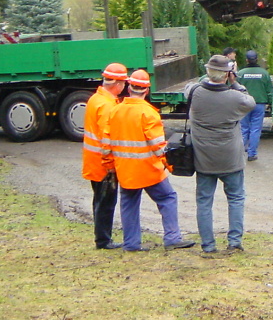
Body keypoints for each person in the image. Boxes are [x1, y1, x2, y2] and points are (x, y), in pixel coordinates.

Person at [105, 69, 195, 252]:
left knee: (128, 203)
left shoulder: (115, 111)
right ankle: (172, 237)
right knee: (167, 198)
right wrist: (170, 165)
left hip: (126, 171)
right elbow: (158, 146)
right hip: (149, 170)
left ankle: (131, 243)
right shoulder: (149, 113)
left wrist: (110, 167)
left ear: (129, 88)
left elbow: (106, 144)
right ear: (146, 90)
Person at [186, 55, 256, 255]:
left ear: (208, 72)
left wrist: (208, 78)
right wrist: (236, 84)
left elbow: (191, 87)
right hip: (230, 158)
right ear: (228, 75)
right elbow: (250, 102)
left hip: (203, 158)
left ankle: (208, 245)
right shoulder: (235, 97)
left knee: (204, 202)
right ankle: (234, 242)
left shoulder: (195, 93)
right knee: (235, 199)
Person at [81, 62, 127, 249]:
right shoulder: (106, 106)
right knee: (106, 202)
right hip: (103, 164)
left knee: (101, 201)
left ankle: (102, 238)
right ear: (117, 84)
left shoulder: (96, 99)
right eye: (124, 82)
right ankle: (103, 240)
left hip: (94, 161)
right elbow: (107, 139)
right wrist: (110, 166)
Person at [237, 49, 273, 162]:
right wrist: (271, 103)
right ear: (257, 59)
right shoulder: (264, 73)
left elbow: (234, 88)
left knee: (243, 129)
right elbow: (269, 90)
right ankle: (252, 154)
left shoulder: (241, 73)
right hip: (259, 104)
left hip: (244, 104)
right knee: (255, 129)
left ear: (246, 60)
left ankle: (239, 154)